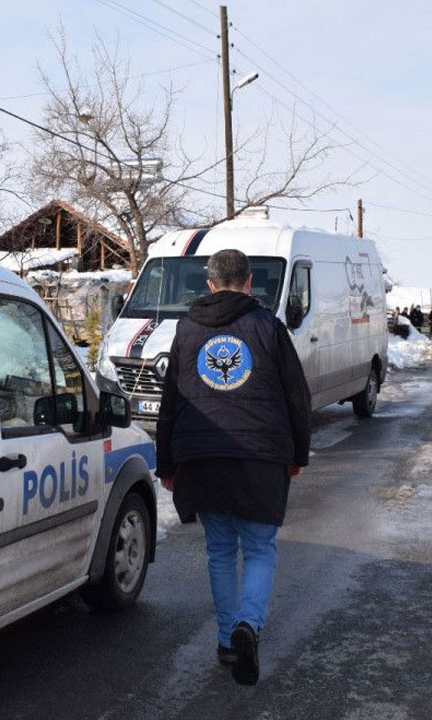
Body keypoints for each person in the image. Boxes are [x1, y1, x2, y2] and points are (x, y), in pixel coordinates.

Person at [155, 248, 311, 686]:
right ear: (248, 283)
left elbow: (171, 402)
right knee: (260, 549)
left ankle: (227, 641)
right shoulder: (269, 327)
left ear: (209, 284)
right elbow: (296, 396)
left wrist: (167, 461)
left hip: (202, 457)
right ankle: (248, 625)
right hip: (261, 456)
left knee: (220, 552)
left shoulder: (186, 330)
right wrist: (298, 454)